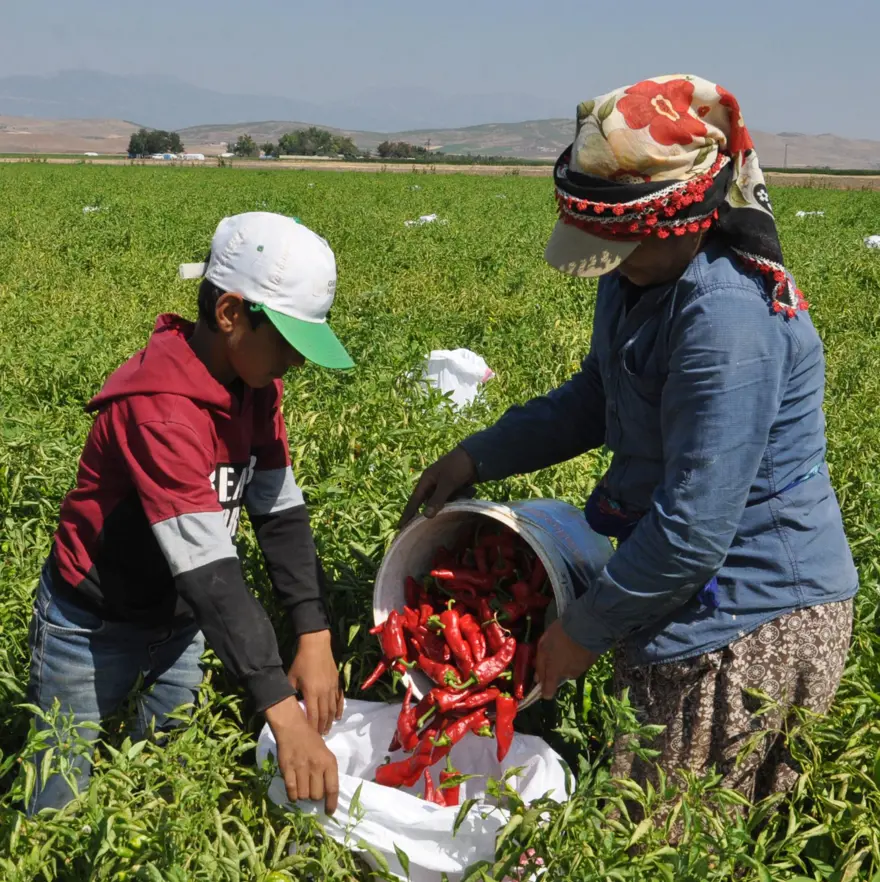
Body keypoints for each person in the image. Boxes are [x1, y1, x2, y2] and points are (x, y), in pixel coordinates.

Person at [401, 76, 858, 805]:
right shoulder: (640, 280)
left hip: (750, 618)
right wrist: (477, 454)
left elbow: (693, 528)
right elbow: (595, 397)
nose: (606, 260)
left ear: (683, 218)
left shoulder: (727, 318)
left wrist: (583, 629)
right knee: (643, 810)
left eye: (621, 241)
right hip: (679, 590)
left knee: (676, 835)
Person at [27, 212, 354, 814]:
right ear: (231, 314)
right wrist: (282, 711)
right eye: (286, 340)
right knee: (57, 789)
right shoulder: (161, 410)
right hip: (94, 623)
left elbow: (280, 513)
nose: (297, 361)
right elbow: (210, 570)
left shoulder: (256, 390)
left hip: (180, 622)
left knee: (164, 770)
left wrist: (314, 631)